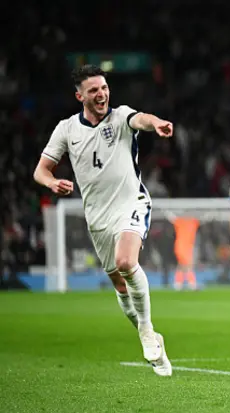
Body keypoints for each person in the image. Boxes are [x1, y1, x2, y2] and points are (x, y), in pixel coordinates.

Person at [33, 64, 172, 376]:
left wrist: (157, 122)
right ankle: (148, 334)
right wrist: (52, 182)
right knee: (120, 286)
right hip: (97, 217)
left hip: (131, 203)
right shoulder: (67, 129)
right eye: (93, 90)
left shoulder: (121, 116)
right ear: (79, 95)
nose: (101, 94)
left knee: (126, 261)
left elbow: (142, 119)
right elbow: (40, 170)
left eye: (104, 88)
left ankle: (147, 331)